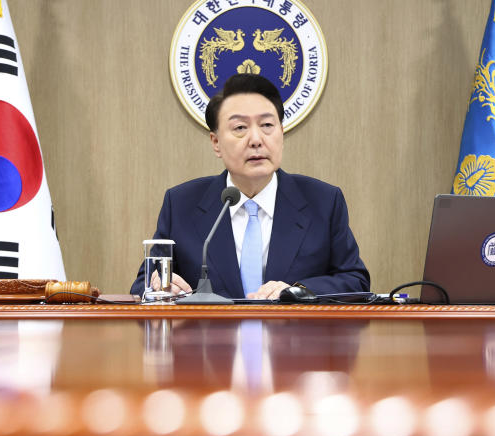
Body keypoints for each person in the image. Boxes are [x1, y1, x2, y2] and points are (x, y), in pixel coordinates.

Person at [130, 73, 370, 300]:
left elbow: (356, 281)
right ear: (216, 143)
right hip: (210, 343)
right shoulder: (181, 204)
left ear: (281, 133)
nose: (256, 140)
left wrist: (298, 291)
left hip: (297, 341)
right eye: (240, 128)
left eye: (267, 125)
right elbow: (142, 285)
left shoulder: (323, 202)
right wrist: (162, 286)